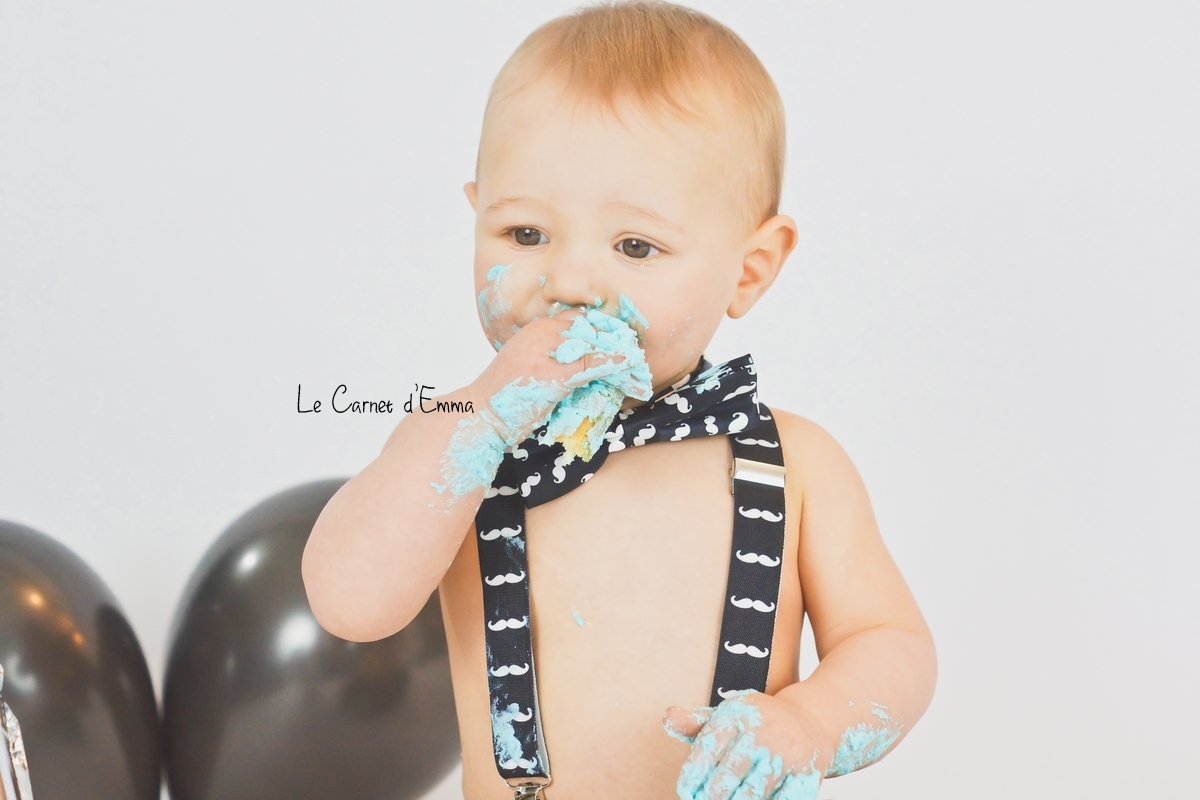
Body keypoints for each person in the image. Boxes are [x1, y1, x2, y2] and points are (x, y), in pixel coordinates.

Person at [302, 3, 936, 798]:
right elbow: (349, 603)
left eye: (635, 246)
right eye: (525, 234)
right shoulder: (456, 443)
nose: (569, 281)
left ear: (749, 270)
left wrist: (808, 723)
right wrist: (481, 421)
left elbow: (891, 642)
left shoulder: (795, 464)